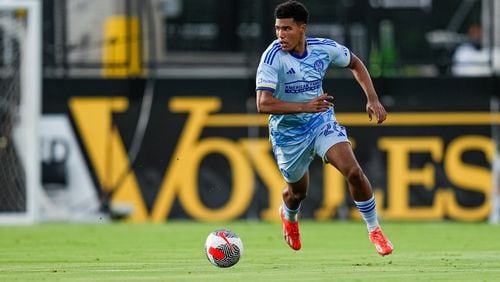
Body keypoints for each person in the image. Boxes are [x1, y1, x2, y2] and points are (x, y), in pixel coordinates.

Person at [255, 0, 393, 256]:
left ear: (302, 28)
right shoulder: (272, 57)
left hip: (321, 122)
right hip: (288, 134)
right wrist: (305, 106)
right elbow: (263, 104)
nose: (280, 35)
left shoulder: (323, 49)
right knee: (298, 193)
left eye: (287, 29)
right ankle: (289, 216)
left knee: (353, 171)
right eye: (277, 29)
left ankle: (374, 229)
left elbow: (355, 63)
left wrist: (372, 98)